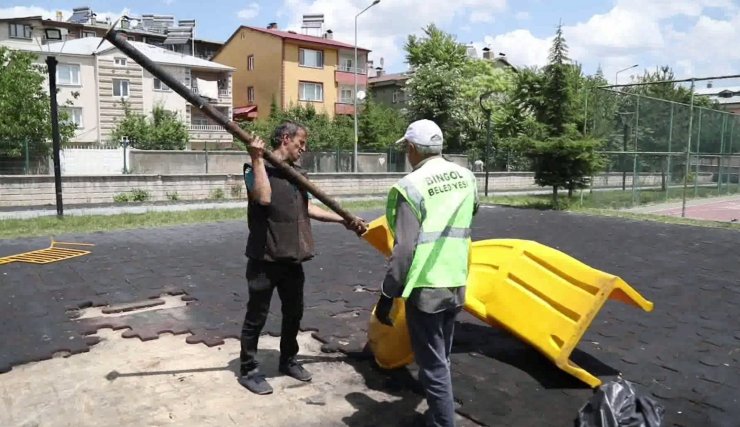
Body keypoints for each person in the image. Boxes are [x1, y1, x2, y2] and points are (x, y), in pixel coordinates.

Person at [239, 120, 366, 395]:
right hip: (265, 258)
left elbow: (308, 210)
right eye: (301, 142)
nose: (303, 148)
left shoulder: (298, 174)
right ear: (285, 138)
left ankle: (288, 360)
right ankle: (248, 369)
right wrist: (257, 158)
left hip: (292, 257)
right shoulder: (254, 169)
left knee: (294, 313)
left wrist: (343, 220)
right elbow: (263, 198)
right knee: (256, 316)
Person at [374, 119, 479, 427]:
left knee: (431, 364)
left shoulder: (412, 186)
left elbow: (405, 250)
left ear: (412, 148)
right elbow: (470, 213)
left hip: (426, 287)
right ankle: (439, 411)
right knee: (442, 355)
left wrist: (387, 294)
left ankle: (443, 422)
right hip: (456, 278)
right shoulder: (466, 176)